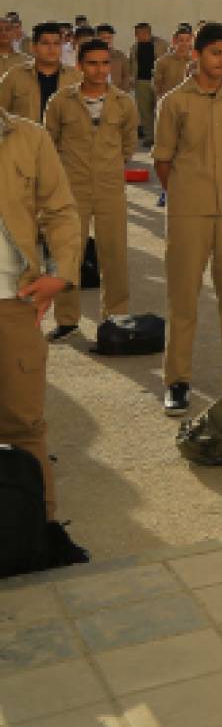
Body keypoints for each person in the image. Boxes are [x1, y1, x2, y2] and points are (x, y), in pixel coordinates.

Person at [0, 94, 89, 566]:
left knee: (25, 423)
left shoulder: (28, 138)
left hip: (14, 302)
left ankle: (41, 530)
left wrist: (61, 273)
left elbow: (60, 209)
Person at [153, 23, 222, 415]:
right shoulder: (174, 102)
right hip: (189, 211)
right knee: (183, 299)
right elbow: (163, 161)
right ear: (196, 55)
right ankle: (177, 380)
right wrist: (186, 191)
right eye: (215, 53)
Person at [42, 40, 139, 342]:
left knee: (114, 254)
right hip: (72, 190)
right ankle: (67, 320)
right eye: (93, 63)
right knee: (67, 254)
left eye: (105, 63)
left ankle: (116, 315)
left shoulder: (124, 103)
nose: (100, 70)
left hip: (110, 188)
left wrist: (111, 167)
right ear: (80, 66)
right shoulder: (61, 101)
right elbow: (48, 143)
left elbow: (128, 143)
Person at [0, 22, 79, 120]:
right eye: (45, 43)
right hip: (26, 130)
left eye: (56, 43)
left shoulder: (76, 78)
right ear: (34, 47)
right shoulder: (15, 76)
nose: (51, 48)